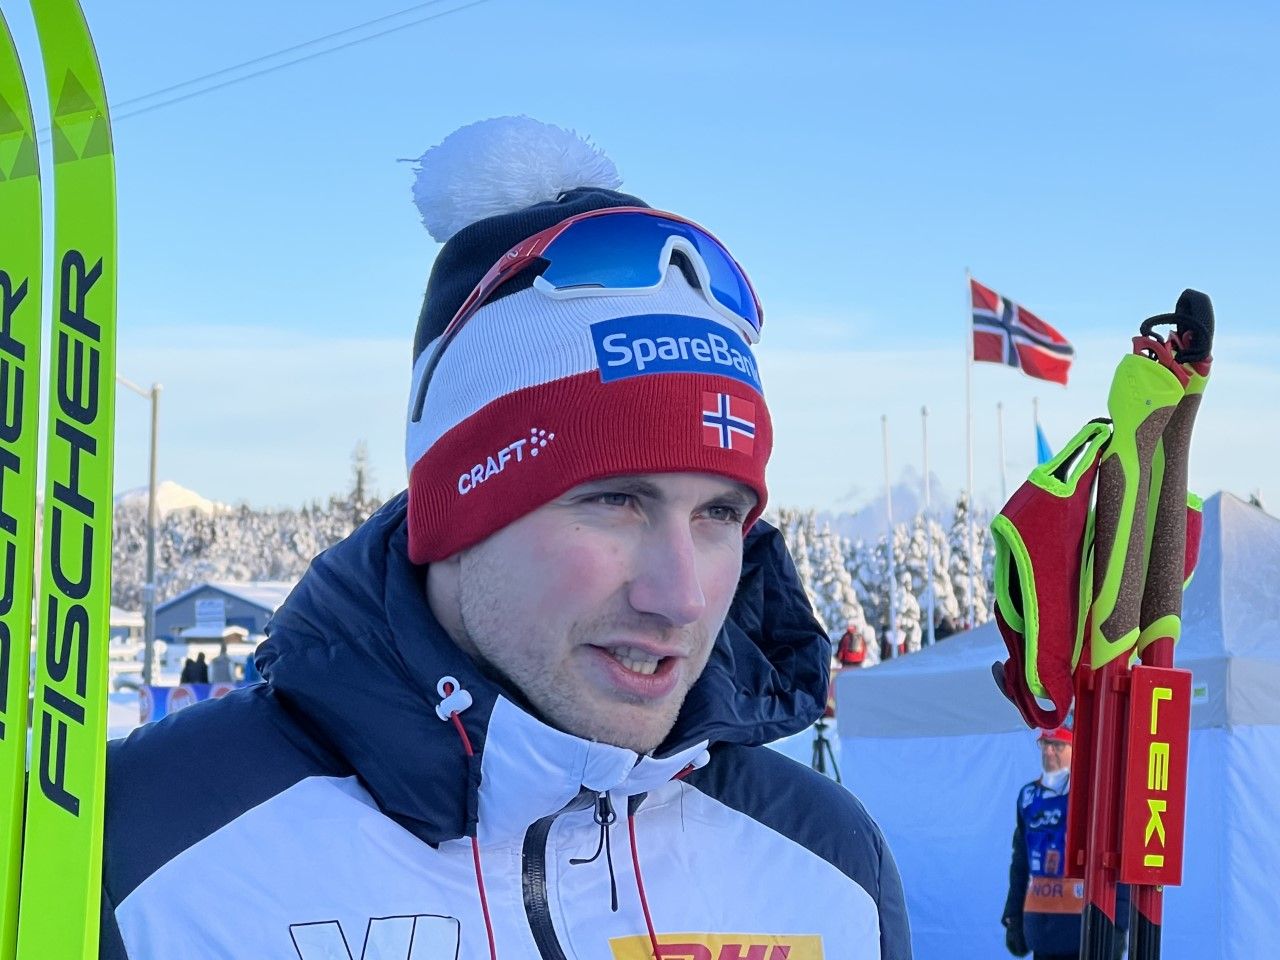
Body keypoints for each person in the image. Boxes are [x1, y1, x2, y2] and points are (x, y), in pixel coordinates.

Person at [101, 117, 911, 959]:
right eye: (615, 501)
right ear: (458, 513)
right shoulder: (151, 847)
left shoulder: (826, 864)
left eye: (718, 515)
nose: (682, 597)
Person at [1002, 726, 1129, 960]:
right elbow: (1020, 861)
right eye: (1045, 744)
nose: (1049, 752)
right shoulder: (1028, 796)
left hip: (1086, 928)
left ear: (1075, 750)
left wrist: (1119, 923)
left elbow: (1117, 860)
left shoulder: (1096, 797)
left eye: (1058, 746)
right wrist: (1013, 916)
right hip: (1041, 927)